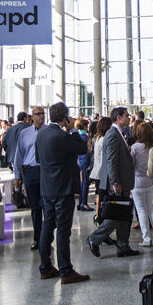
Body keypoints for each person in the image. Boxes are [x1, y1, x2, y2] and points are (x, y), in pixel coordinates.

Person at [36, 102, 90, 284]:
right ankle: (66, 270)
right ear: (64, 117)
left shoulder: (41, 133)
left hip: (47, 188)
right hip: (63, 188)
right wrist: (74, 129)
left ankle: (45, 266)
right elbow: (83, 148)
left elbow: (38, 158)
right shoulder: (62, 135)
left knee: (47, 227)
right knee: (63, 230)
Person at [87, 107, 139, 258]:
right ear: (118, 118)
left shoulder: (118, 133)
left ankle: (123, 245)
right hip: (117, 182)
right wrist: (115, 182)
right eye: (126, 116)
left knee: (124, 214)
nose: (129, 118)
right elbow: (110, 160)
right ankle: (94, 238)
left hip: (123, 181)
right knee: (116, 216)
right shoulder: (112, 135)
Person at [13, 106, 46, 249]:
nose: (41, 116)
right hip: (30, 171)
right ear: (31, 117)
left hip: (45, 171)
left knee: (47, 205)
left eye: (42, 114)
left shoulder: (48, 132)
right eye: (37, 114)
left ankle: (46, 236)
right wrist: (17, 175)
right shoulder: (24, 133)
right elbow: (19, 155)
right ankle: (38, 238)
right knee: (35, 207)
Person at [130, 122, 153, 247]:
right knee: (152, 210)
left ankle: (147, 239)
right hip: (151, 182)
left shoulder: (135, 147)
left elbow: (131, 165)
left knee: (141, 211)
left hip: (137, 182)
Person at [89, 117, 112, 221]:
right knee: (104, 197)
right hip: (103, 173)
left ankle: (98, 215)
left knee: (100, 196)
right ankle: (101, 218)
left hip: (97, 171)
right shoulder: (105, 140)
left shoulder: (98, 138)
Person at [75, 118, 94, 211]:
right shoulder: (84, 137)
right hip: (85, 160)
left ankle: (80, 202)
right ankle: (84, 203)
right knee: (85, 182)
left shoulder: (78, 135)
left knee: (82, 182)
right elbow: (88, 150)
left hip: (80, 161)